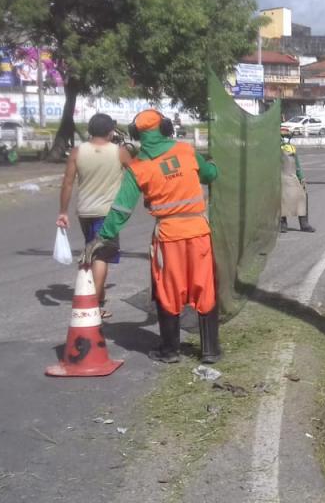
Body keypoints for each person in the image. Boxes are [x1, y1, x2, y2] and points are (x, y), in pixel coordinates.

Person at [83, 109, 220, 364]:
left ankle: (170, 350)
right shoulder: (186, 151)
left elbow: (122, 207)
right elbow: (210, 175)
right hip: (199, 233)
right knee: (205, 287)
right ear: (166, 127)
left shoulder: (138, 167)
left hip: (168, 238)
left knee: (168, 291)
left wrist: (102, 236)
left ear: (137, 134)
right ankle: (210, 350)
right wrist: (211, 165)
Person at [57, 113, 130, 319]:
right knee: (101, 256)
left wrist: (63, 212)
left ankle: (98, 294)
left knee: (93, 250)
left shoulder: (77, 152)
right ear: (110, 132)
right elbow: (137, 174)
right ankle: (94, 305)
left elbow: (67, 183)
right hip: (107, 213)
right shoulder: (119, 152)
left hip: (85, 212)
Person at [280, 128, 315, 233]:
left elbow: (297, 166)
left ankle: (304, 224)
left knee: (302, 196)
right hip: (280, 179)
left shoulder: (291, 149)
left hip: (292, 177)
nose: (285, 138)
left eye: (287, 137)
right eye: (283, 137)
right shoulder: (273, 149)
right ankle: (282, 224)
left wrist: (301, 178)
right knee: (281, 199)